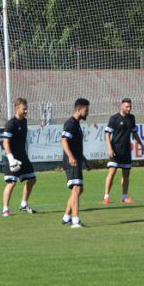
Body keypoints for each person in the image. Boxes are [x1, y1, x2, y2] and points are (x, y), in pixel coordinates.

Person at [102, 98, 143, 204]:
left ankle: (124, 197)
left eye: (130, 107)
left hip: (126, 151)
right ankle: (106, 197)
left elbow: (134, 133)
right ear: (121, 106)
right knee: (112, 172)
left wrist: (141, 144)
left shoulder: (131, 118)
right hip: (115, 150)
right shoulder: (114, 118)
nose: (129, 109)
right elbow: (107, 134)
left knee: (126, 174)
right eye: (127, 107)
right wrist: (110, 148)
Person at [1, 98, 36, 217]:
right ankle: (5, 209)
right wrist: (10, 158)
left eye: (26, 109)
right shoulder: (11, 124)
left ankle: (23, 204)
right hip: (12, 157)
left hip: (23, 157)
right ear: (17, 108)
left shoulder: (24, 121)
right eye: (23, 109)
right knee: (12, 182)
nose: (26, 111)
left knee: (32, 179)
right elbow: (5, 142)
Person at [61, 98, 90, 229]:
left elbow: (76, 145)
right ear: (79, 109)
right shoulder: (70, 123)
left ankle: (66, 217)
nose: (87, 113)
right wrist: (71, 156)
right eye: (86, 110)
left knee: (78, 189)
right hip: (71, 161)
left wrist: (84, 160)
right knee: (77, 188)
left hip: (76, 160)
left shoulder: (76, 124)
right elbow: (64, 141)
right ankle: (75, 221)